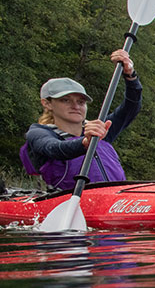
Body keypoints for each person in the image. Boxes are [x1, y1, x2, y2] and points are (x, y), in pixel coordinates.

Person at [20, 50, 142, 191]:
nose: (75, 106)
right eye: (65, 100)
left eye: (81, 102)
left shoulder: (100, 131)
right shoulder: (39, 133)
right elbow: (55, 149)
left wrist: (130, 75)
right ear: (47, 103)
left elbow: (131, 107)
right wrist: (84, 143)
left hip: (116, 201)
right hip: (70, 205)